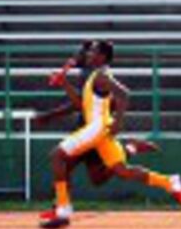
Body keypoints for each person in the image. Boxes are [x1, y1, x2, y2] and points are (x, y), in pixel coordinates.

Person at [39, 40, 181, 229]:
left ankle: (63, 208)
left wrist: (119, 121)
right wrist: (64, 83)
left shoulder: (101, 76)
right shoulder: (96, 75)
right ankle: (169, 181)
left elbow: (124, 94)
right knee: (122, 171)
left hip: (97, 128)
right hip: (102, 129)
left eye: (92, 52)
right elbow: (82, 105)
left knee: (57, 156)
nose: (88, 54)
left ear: (102, 56)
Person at [34, 41, 159, 188]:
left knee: (66, 162)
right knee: (93, 176)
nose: (80, 56)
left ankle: (61, 205)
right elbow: (82, 103)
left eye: (84, 52)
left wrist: (50, 115)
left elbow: (80, 104)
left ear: (99, 56)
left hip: (93, 129)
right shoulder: (89, 73)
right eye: (83, 53)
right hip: (87, 127)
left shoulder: (96, 74)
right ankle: (61, 204)